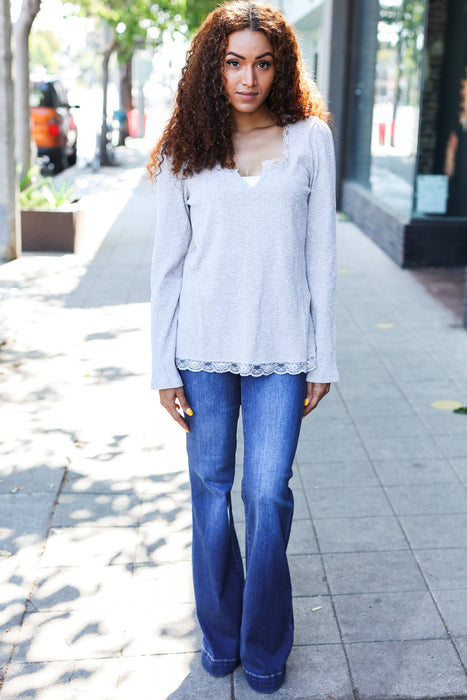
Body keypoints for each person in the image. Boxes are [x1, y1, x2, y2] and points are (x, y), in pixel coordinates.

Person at [147, 1, 338, 693]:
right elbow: (167, 266)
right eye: (232, 63)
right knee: (209, 492)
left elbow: (321, 258)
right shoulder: (185, 146)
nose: (247, 77)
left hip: (282, 353)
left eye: (261, 62)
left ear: (280, 66)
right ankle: (219, 635)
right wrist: (160, 366)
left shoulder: (309, 138)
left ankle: (263, 644)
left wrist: (324, 358)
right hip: (200, 354)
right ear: (212, 68)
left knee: (266, 495)